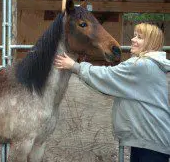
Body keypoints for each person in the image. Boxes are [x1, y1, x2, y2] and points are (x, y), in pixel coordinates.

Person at [54, 23, 170, 162]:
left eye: (139, 37)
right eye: (134, 36)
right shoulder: (150, 65)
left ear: (151, 43)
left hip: (150, 140)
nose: (133, 40)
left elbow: (107, 75)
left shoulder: (141, 65)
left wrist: (74, 66)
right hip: (149, 137)